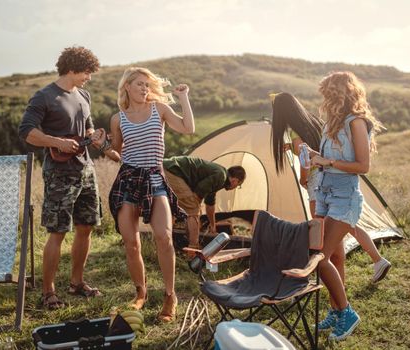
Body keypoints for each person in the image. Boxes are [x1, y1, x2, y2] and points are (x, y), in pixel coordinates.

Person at [19, 46, 110, 309]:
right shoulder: (44, 97)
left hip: (86, 169)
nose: (89, 77)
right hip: (59, 173)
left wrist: (93, 136)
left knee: (86, 226)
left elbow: (88, 124)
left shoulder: (84, 95)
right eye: (86, 72)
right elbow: (27, 131)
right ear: (71, 68)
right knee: (57, 232)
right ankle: (49, 291)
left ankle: (77, 282)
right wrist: (56, 141)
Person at [271, 92, 391, 284]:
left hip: (317, 183)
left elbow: (305, 161)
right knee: (344, 226)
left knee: (323, 235)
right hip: (330, 177)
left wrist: (303, 179)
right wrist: (291, 146)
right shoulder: (312, 122)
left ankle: (312, 282)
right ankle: (374, 262)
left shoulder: (295, 133)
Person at [108, 67, 194, 322]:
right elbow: (116, 152)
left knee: (164, 236)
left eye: (148, 85)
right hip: (128, 180)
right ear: (127, 87)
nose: (145, 89)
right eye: (140, 85)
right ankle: (140, 293)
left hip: (155, 179)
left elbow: (188, 128)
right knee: (131, 242)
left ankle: (170, 295)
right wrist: (101, 143)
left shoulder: (159, 110)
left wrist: (184, 98)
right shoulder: (118, 118)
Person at [308, 71, 384, 341]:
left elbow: (363, 166)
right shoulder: (331, 123)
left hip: (345, 197)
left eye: (327, 92)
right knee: (335, 258)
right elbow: (327, 161)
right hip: (325, 193)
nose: (324, 98)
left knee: (318, 259)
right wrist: (315, 159)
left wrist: (327, 162)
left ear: (339, 93)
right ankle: (336, 310)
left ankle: (347, 312)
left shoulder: (356, 122)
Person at [163, 156, 246, 248]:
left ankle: (165, 242)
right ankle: (193, 249)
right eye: (238, 185)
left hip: (168, 168)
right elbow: (198, 192)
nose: (236, 187)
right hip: (173, 171)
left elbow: (210, 205)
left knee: (173, 208)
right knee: (193, 209)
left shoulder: (220, 178)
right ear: (235, 181)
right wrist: (197, 214)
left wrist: (213, 226)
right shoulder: (220, 176)